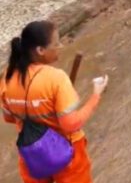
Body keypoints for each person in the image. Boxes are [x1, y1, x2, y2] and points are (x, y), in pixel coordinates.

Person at [1, 21, 108, 183]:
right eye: (56, 43)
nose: (60, 46)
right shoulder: (56, 78)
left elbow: (8, 117)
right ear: (40, 50)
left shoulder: (6, 78)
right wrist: (95, 96)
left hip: (32, 154)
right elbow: (70, 124)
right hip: (67, 152)